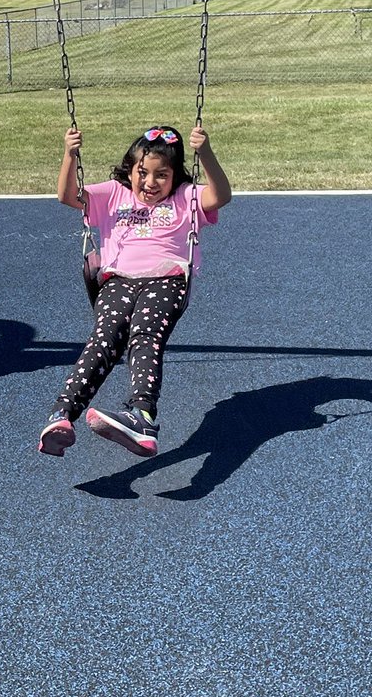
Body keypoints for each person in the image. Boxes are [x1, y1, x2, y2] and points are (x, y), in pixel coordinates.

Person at [39, 124, 231, 459]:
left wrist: (207, 154)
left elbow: (221, 196)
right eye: (143, 172)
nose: (150, 182)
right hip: (118, 280)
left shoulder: (186, 197)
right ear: (131, 170)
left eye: (162, 175)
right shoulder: (114, 193)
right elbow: (68, 196)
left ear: (175, 177)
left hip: (167, 279)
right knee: (105, 338)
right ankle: (62, 416)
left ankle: (141, 416)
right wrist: (70, 155)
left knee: (145, 334)